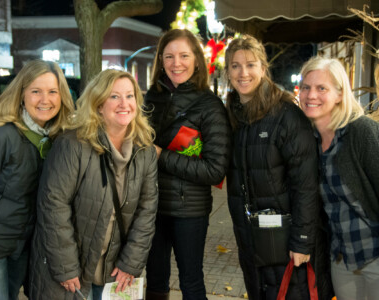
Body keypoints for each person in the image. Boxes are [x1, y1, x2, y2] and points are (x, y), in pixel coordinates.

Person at [28, 69, 159, 300]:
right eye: (114, 96)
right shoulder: (72, 144)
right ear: (99, 104)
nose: (124, 104)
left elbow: (147, 210)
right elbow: (53, 206)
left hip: (116, 271)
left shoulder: (145, 149)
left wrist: (131, 262)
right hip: (72, 271)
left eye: (130, 96)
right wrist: (65, 266)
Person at [225, 36, 333, 300]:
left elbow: (305, 184)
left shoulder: (286, 115)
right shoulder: (233, 115)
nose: (243, 73)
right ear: (227, 72)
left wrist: (302, 240)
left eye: (250, 64)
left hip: (286, 243)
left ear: (263, 68)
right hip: (252, 240)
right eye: (235, 66)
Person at [144, 29, 231, 300]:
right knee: (154, 280)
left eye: (183, 55)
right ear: (160, 60)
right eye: (168, 56)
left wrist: (161, 155)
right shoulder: (150, 98)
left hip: (189, 211)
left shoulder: (210, 105)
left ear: (196, 60)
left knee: (190, 281)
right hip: (151, 206)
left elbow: (215, 170)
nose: (175, 63)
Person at [0, 59, 74, 300]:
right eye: (36, 91)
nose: (45, 100)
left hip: (22, 246)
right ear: (21, 94)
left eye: (53, 91)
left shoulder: (55, 138)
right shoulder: (1, 134)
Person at [299, 56, 379, 300]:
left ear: (340, 94)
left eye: (321, 88)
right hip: (341, 260)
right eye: (305, 87)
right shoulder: (308, 141)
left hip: (375, 256)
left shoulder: (360, 131)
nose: (311, 94)